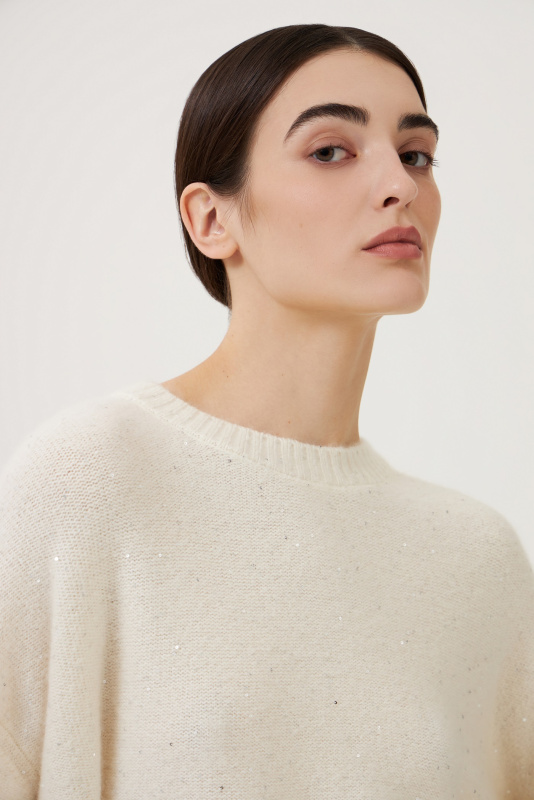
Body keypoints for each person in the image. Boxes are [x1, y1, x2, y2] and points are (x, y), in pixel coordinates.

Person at [1, 23, 533, 799]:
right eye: (331, 151)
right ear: (210, 220)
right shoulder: (93, 478)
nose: (400, 185)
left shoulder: (478, 558)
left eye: (416, 154)